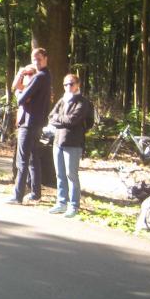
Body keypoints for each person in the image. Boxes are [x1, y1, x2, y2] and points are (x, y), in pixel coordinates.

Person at [6, 47, 51, 204]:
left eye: (39, 59)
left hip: (29, 123)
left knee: (22, 160)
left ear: (45, 59)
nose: (36, 62)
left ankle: (18, 196)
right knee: (33, 158)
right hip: (37, 123)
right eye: (34, 59)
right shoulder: (47, 76)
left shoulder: (39, 77)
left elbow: (20, 99)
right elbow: (24, 95)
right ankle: (35, 193)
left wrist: (20, 94)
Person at [48, 74, 90, 218]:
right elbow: (50, 116)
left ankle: (74, 205)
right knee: (60, 174)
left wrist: (58, 119)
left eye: (71, 84)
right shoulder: (62, 100)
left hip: (73, 143)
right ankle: (61, 202)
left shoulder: (83, 102)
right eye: (65, 84)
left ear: (78, 84)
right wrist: (61, 120)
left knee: (71, 175)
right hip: (58, 141)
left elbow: (73, 120)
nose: (68, 87)